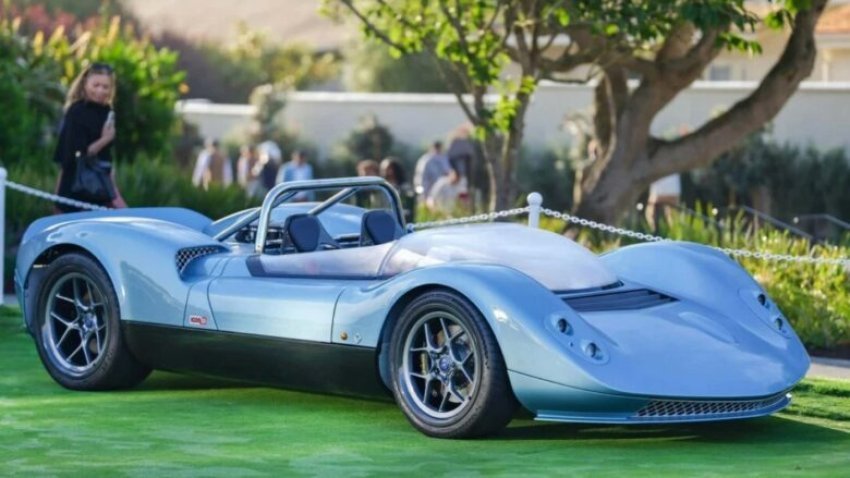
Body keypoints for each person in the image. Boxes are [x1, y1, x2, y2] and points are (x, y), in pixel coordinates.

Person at [53, 62, 127, 212]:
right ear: (85, 84)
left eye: (105, 87)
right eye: (96, 85)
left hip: (101, 188)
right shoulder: (77, 111)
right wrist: (105, 139)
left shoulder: (107, 111)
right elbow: (76, 155)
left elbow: (106, 157)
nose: (100, 91)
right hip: (77, 189)